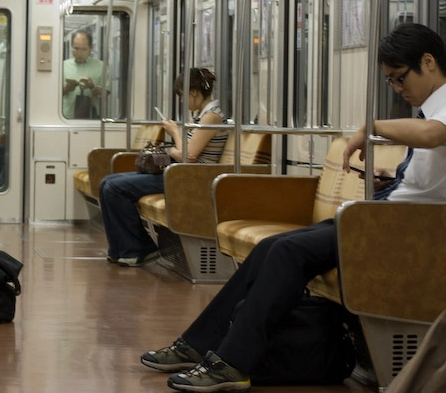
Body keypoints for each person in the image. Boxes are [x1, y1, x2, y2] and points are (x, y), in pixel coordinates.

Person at [142, 23, 446, 392]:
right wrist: (394, 176)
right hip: (387, 214)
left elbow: (434, 136)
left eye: (400, 79)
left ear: (428, 62)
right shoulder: (430, 108)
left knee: (287, 251)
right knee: (272, 247)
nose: (398, 89)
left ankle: (232, 362)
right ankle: (200, 344)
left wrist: (371, 126)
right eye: (391, 83)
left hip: (412, 227)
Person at [100, 68, 226, 266]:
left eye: (183, 96)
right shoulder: (201, 116)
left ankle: (139, 247)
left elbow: (188, 156)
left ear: (193, 92)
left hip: (192, 179)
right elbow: (183, 151)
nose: (183, 102)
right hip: (181, 174)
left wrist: (175, 132)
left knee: (115, 189)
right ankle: (119, 248)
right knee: (107, 181)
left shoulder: (211, 117)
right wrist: (176, 148)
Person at [62, 30, 107, 119]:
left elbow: (105, 95)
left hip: (92, 118)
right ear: (71, 47)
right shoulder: (62, 66)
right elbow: (52, 95)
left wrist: (92, 86)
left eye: (84, 49)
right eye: (76, 48)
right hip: (66, 117)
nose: (79, 53)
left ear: (91, 48)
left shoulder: (101, 66)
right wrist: (66, 89)